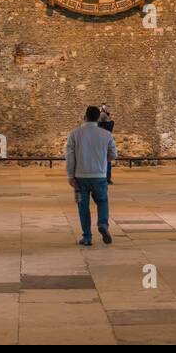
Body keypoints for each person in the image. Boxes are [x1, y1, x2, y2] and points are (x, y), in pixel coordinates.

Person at [66, 106, 118, 247]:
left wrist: (70, 175)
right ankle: (102, 223)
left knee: (82, 206)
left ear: (85, 117)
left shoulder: (74, 134)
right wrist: (102, 159)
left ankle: (87, 237)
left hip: (80, 178)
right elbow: (113, 155)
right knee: (102, 201)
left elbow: (70, 157)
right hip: (100, 177)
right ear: (97, 118)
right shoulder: (106, 135)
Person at [98, 105, 116, 184]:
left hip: (99, 145)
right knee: (107, 162)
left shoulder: (97, 125)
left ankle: (101, 178)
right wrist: (107, 114)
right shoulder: (109, 125)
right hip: (106, 144)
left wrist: (101, 112)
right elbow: (111, 121)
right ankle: (107, 179)